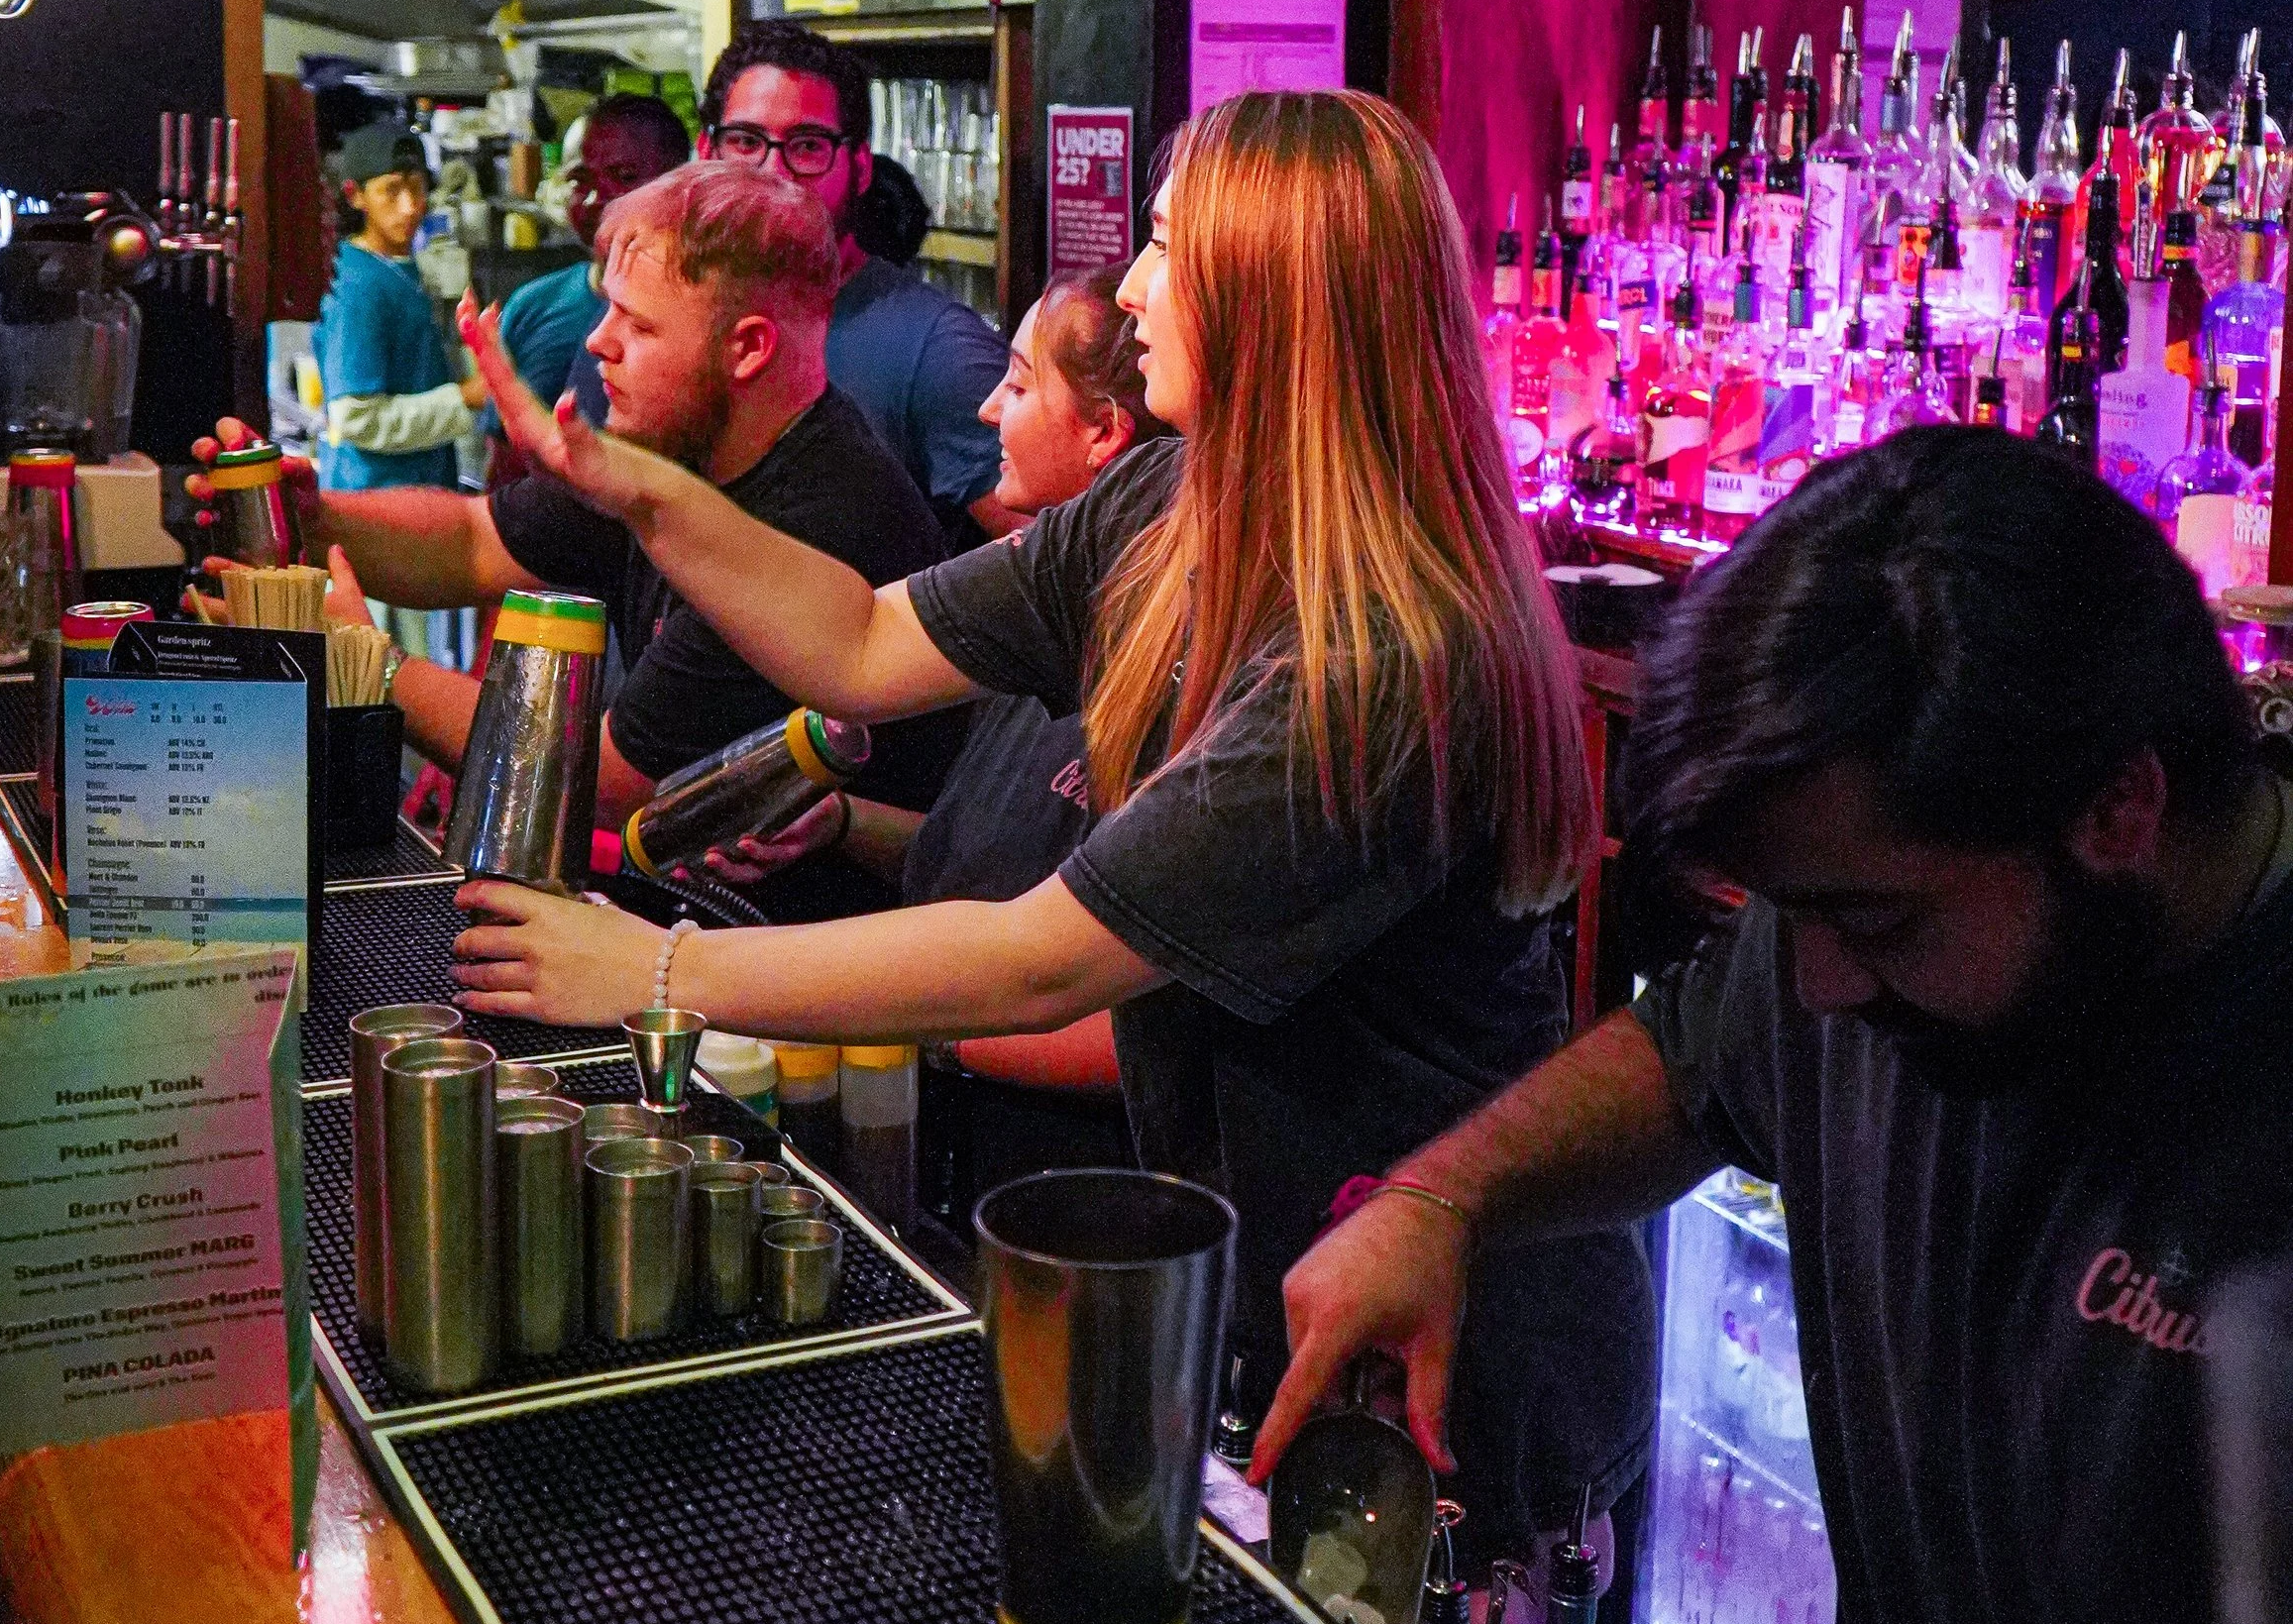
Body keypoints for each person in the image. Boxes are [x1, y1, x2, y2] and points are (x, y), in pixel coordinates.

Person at [452, 90, 1661, 1550]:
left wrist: (653, 969)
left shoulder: (1376, 655)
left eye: (1166, 247)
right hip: (1282, 1279)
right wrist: (637, 492)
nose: (1131, 287)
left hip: (1456, 1356)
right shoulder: (1171, 500)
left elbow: (1041, 959)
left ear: (1273, 297)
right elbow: (860, 642)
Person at [1252, 427, 2293, 1624]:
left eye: (1874, 925)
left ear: (2119, 810)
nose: (1814, 986)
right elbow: (1692, 1054)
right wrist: (1442, 1199)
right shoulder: (1869, 898)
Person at [201, 163, 958, 911]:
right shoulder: (675, 454)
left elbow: (599, 780)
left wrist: (364, 662)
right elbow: (471, 541)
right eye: (607, 310)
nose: (598, 342)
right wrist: (307, 517)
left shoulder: (815, 521)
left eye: (638, 324)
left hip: (801, 958)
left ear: (748, 349)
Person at [723, 269, 1158, 1085]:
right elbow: (982, 862)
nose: (988, 409)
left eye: (1019, 385)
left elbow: (1129, 1023)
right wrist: (843, 824)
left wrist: (918, 1029)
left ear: (1104, 432)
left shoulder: (1166, 666)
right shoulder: (1030, 618)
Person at [566, 20, 1020, 533]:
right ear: (706, 152)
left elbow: (1048, 560)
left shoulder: (938, 351)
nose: (772, 172)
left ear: (860, 166)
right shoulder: (631, 329)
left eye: (807, 146)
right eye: (746, 141)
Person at [492, 95, 691, 425]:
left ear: (680, 184)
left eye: (625, 176)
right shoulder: (532, 306)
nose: (595, 199)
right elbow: (504, 445)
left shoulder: (699, 318)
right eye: (580, 181)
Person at [314, 122, 485, 491]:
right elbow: (355, 417)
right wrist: (465, 397)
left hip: (420, 488)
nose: (409, 208)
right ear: (355, 195)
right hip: (374, 496)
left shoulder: (400, 269)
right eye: (391, 191)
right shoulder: (357, 286)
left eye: (417, 187)